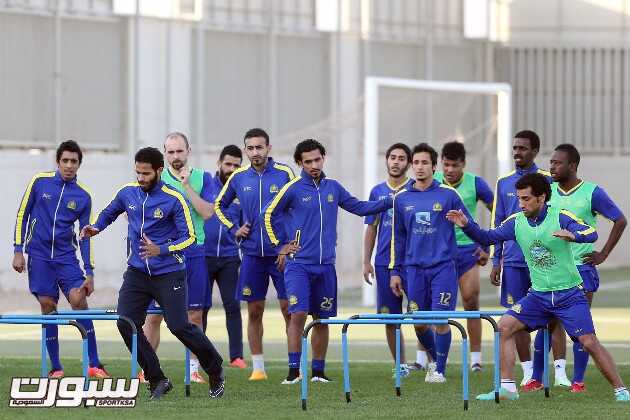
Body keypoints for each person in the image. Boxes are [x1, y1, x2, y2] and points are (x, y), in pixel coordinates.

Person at [447, 172, 630, 402]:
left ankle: (621, 390)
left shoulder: (561, 216)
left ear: (541, 198)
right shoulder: (516, 222)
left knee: (588, 342)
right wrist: (466, 225)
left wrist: (573, 236)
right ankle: (508, 388)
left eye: (525, 199)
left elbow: (590, 232)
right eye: (519, 198)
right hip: (538, 297)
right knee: (504, 327)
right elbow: (487, 237)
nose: (520, 203)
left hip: (569, 295)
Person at [79, 147, 225, 400]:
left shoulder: (174, 198)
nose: (141, 178)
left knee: (179, 325)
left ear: (158, 171)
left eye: (146, 173)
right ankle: (157, 378)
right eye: (138, 172)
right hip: (137, 273)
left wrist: (162, 250)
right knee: (125, 323)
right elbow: (111, 211)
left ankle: (214, 368)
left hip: (169, 273)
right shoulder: (128, 193)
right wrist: (96, 227)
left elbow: (190, 238)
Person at [263, 139, 392, 384]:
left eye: (317, 159)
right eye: (308, 161)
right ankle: (293, 372)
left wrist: (389, 201)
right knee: (298, 314)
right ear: (300, 163)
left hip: (325, 266)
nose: (314, 165)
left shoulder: (334, 188)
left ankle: (318, 372)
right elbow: (268, 214)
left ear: (324, 158)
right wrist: (279, 245)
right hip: (298, 264)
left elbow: (360, 207)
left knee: (321, 319)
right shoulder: (292, 188)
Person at [12, 140, 108, 379]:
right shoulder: (39, 181)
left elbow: (86, 236)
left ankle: (94, 363)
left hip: (66, 258)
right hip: (39, 256)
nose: (68, 165)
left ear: (79, 165)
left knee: (78, 300)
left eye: (73, 161)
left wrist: (90, 271)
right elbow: (22, 214)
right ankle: (56, 367)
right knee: (48, 306)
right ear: (57, 162)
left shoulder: (83, 196)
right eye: (64, 160)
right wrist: (18, 249)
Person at [389, 143, 474, 383]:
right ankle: (435, 359)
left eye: (424, 162)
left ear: (434, 166)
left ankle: (440, 371)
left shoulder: (448, 195)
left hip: (443, 268)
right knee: (418, 322)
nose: (419, 167)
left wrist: (482, 246)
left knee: (439, 318)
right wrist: (396, 271)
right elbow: (399, 238)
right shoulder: (402, 198)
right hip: (414, 270)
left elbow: (468, 223)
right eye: (415, 162)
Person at [214, 128, 295, 381]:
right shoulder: (238, 177)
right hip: (251, 255)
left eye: (259, 147)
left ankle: (296, 366)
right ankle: (258, 368)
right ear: (246, 149)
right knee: (255, 310)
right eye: (250, 148)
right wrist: (233, 228)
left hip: (280, 255)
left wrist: (291, 242)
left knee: (289, 310)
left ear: (268, 148)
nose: (255, 152)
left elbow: (298, 207)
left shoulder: (284, 174)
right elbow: (219, 205)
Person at [491, 130, 569, 387]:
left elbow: (559, 216)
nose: (517, 152)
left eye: (522, 148)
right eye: (515, 148)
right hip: (513, 262)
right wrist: (496, 261)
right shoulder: (503, 183)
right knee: (516, 318)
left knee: (554, 317)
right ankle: (528, 374)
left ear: (535, 151)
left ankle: (559, 374)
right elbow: (498, 223)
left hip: (545, 260)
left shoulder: (549, 181)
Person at [548, 143, 627, 392]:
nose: (552, 166)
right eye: (551, 162)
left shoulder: (592, 192)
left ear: (572, 166)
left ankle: (578, 381)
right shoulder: (547, 192)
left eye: (557, 162)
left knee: (580, 327)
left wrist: (603, 253)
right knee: (550, 323)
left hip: (581, 269)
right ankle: (552, 376)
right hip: (552, 269)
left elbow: (620, 220)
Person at [141, 132, 215, 383]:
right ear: (165, 153)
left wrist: (186, 186)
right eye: (170, 152)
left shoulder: (203, 178)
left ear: (188, 151)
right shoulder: (155, 180)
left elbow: (207, 213)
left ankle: (193, 369)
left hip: (193, 253)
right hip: (162, 255)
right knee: (153, 316)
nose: (175, 156)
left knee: (193, 315)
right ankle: (148, 370)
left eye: (179, 151)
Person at [363, 142, 423, 376]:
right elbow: (371, 228)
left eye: (401, 158)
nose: (396, 162)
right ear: (386, 160)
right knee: (390, 318)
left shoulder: (416, 189)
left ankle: (431, 364)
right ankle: (400, 366)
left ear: (408, 163)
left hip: (412, 263)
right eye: (392, 157)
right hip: (383, 263)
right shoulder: (377, 192)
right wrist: (366, 261)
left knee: (420, 314)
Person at [434, 141, 494, 371]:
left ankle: (476, 359)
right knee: (437, 307)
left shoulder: (476, 183)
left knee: (470, 301)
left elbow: (497, 212)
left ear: (464, 164)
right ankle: (432, 359)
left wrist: (487, 246)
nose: (449, 170)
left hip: (468, 251)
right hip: (439, 252)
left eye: (455, 165)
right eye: (446, 165)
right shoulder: (432, 180)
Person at [203, 145, 246, 369]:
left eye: (236, 165)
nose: (231, 168)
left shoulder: (242, 190)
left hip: (230, 257)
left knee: (233, 305)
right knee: (201, 307)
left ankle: (237, 356)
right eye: (228, 164)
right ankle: (202, 355)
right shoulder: (206, 184)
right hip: (204, 256)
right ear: (219, 164)